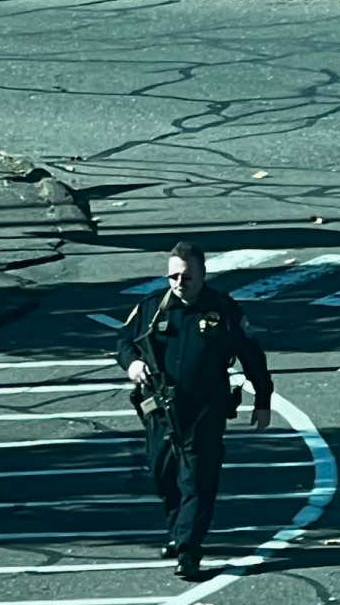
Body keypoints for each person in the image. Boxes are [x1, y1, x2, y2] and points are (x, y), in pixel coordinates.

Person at [116, 241, 273, 579]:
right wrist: (132, 365)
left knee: (198, 481)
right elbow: (124, 342)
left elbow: (252, 356)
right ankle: (179, 533)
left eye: (186, 277)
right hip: (160, 409)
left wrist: (263, 400)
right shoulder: (152, 309)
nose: (178, 283)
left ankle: (189, 550)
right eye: (173, 276)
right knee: (164, 477)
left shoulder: (224, 309)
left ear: (202, 274)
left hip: (205, 408)